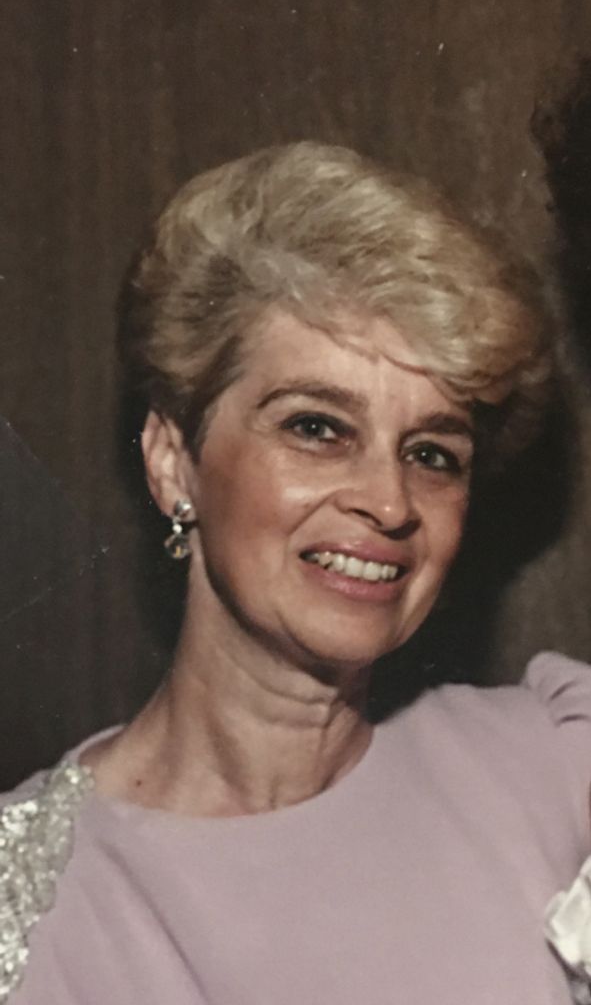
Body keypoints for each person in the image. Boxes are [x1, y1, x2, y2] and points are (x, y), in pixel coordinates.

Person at [1, 141, 588, 1005]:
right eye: (317, 428)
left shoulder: (554, 767)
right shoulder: (33, 908)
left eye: (431, 453)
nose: (388, 501)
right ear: (173, 460)